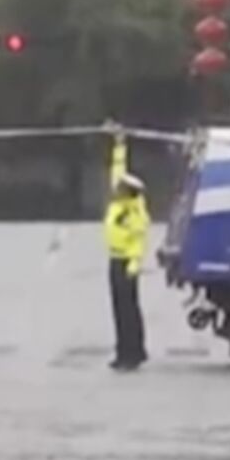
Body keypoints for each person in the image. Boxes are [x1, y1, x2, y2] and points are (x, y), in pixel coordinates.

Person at [105, 127, 150, 371]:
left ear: (130, 192)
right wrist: (119, 145)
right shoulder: (119, 201)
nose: (116, 188)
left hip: (126, 264)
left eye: (121, 188)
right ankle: (124, 350)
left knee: (128, 310)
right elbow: (117, 171)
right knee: (119, 309)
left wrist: (133, 265)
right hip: (114, 260)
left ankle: (132, 353)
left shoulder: (135, 212)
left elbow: (138, 240)